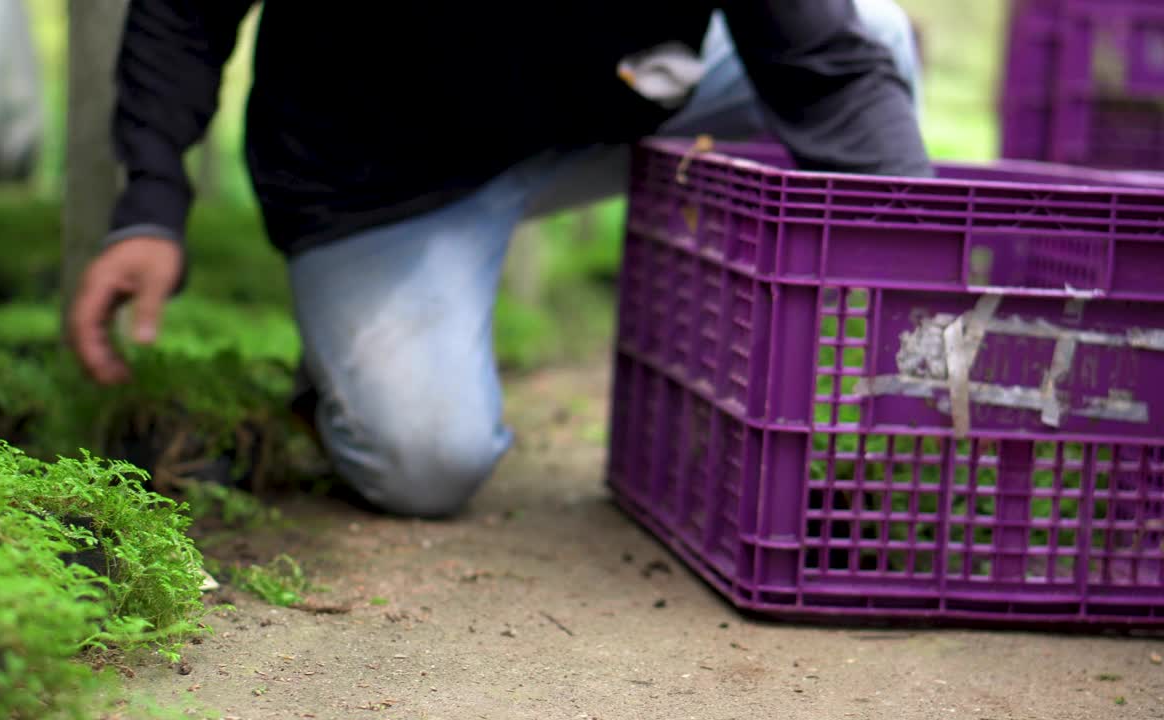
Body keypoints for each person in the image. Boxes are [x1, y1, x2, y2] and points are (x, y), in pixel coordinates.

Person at [69, 1, 932, 519]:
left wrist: (923, 298)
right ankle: (333, 376)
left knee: (879, 37)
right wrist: (150, 197)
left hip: (602, 107)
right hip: (385, 174)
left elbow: (829, 63)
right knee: (424, 462)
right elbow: (185, 10)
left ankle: (820, 437)